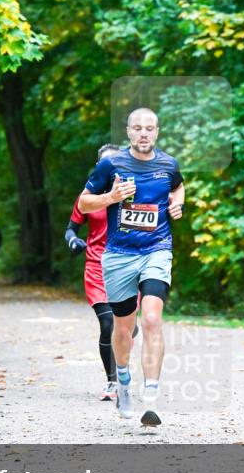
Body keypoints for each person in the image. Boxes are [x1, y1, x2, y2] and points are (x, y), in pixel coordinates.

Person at [77, 108, 184, 426]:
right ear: (128, 132)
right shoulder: (111, 164)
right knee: (122, 330)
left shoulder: (168, 164)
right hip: (119, 256)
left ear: (157, 132)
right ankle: (123, 383)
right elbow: (83, 203)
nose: (144, 133)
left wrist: (178, 202)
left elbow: (178, 186)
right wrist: (110, 197)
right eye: (137, 128)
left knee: (152, 319)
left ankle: (150, 398)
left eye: (149, 128)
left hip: (157, 250)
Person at [66, 143, 140, 402]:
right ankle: (113, 381)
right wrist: (73, 241)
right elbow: (71, 229)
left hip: (127, 266)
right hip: (96, 267)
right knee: (108, 323)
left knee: (127, 328)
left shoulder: (132, 193)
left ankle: (122, 369)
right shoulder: (88, 199)